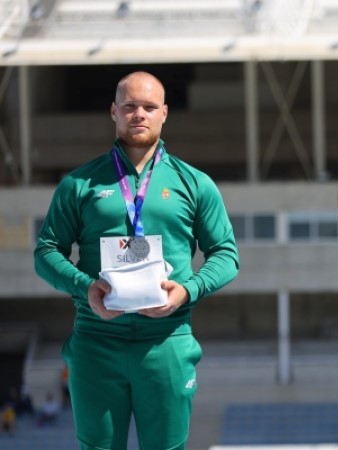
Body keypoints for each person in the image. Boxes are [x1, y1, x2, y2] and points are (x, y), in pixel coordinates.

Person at [34, 71, 240, 450]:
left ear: (164, 113)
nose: (138, 114)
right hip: (97, 340)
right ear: (114, 111)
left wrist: (188, 291)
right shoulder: (80, 184)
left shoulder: (194, 183)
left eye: (148, 107)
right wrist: (85, 287)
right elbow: (46, 251)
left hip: (166, 342)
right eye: (129, 106)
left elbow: (226, 254)